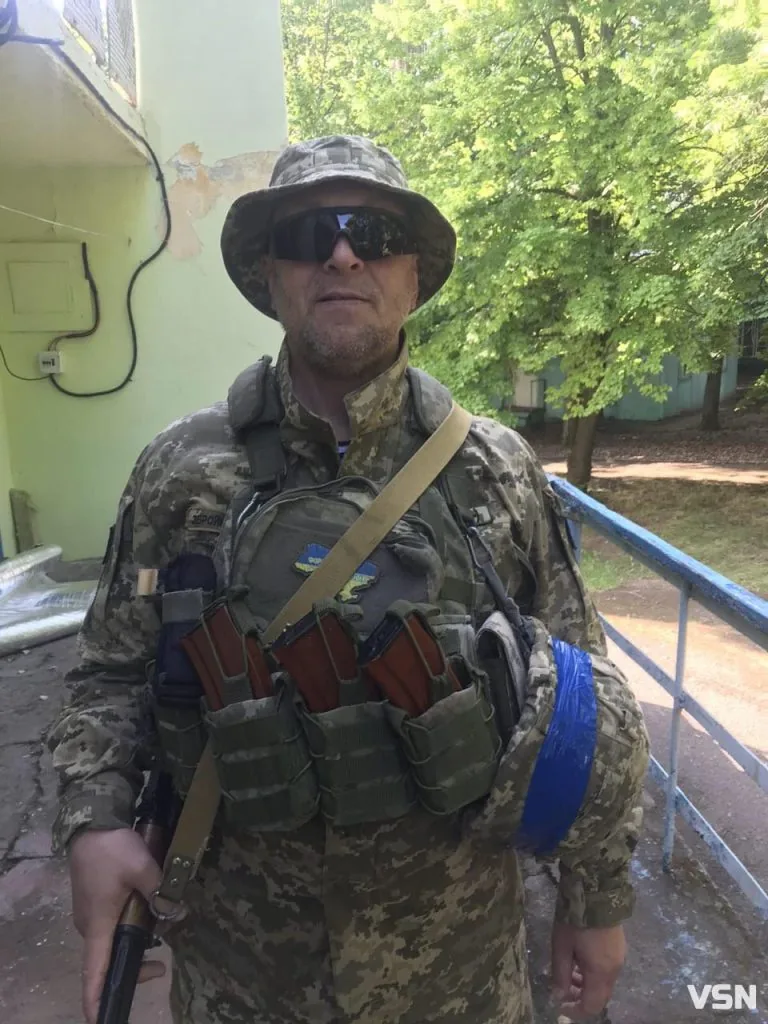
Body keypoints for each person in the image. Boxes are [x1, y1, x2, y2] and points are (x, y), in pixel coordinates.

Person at [48, 135, 650, 1024]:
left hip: (458, 977)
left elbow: (585, 703)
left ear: (413, 275)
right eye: (307, 235)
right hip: (244, 980)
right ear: (270, 273)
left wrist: (594, 900)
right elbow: (110, 672)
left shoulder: (496, 470)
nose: (341, 255)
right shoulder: (180, 470)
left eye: (373, 233)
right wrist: (96, 820)